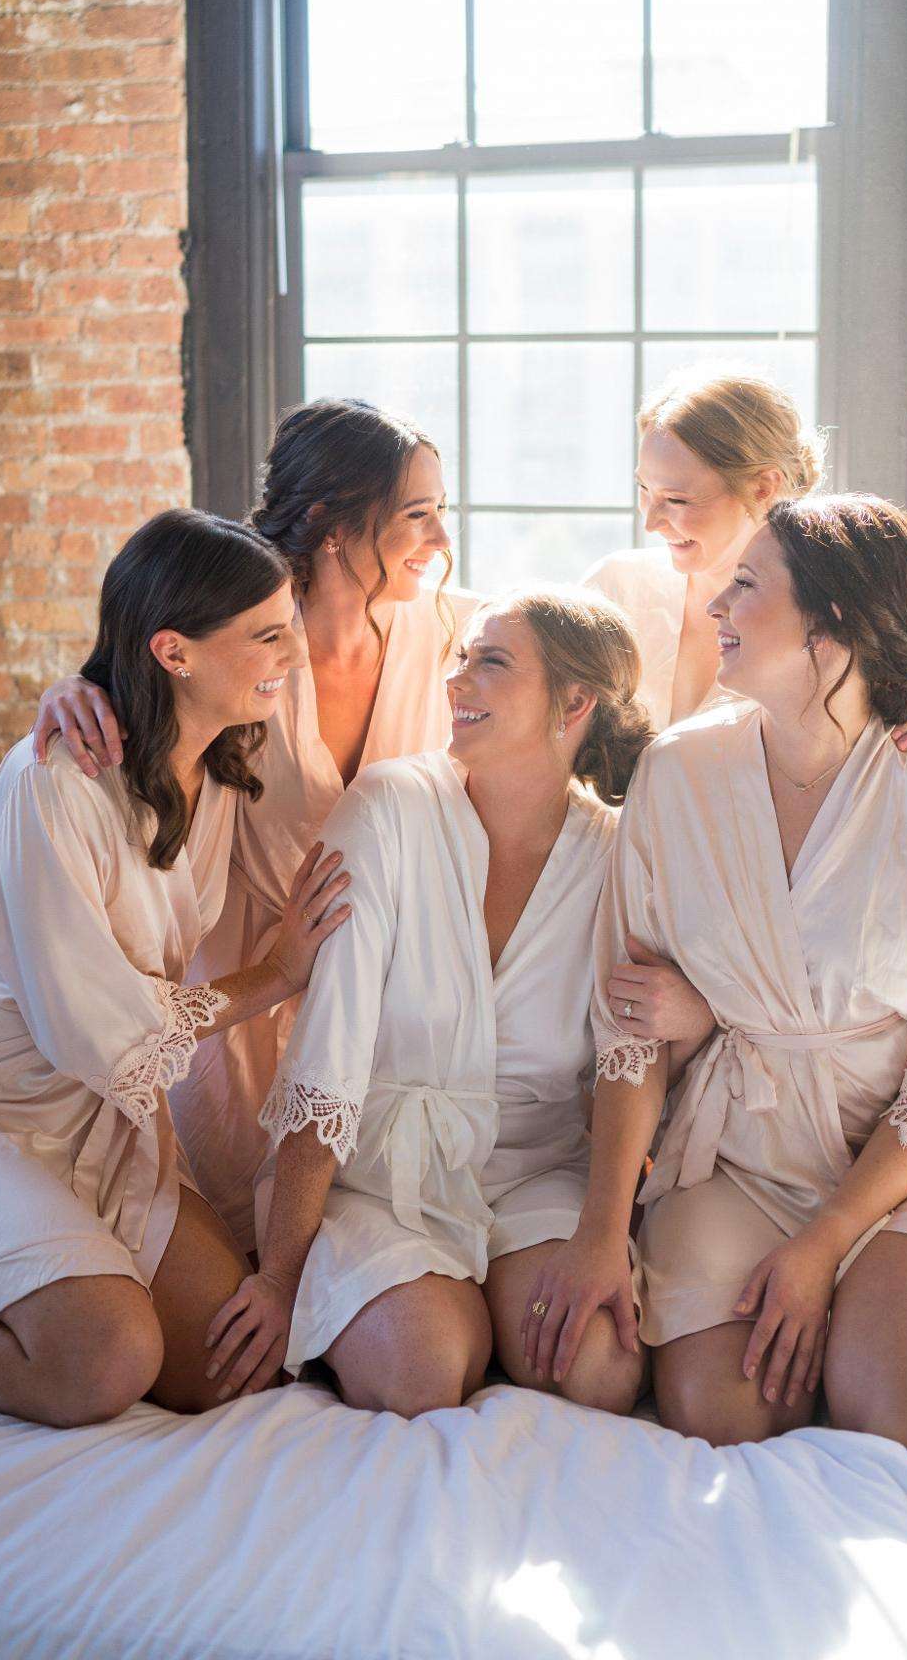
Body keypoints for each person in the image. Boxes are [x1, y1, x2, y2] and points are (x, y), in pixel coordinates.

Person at [0, 510, 350, 1427]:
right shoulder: (53, 782)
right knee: (106, 1360)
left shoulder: (226, 770)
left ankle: (36, 1273)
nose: (294, 654)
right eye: (268, 635)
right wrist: (276, 974)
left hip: (104, 1117)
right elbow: (93, 1025)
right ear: (174, 653)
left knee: (222, 1370)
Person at [526, 495, 907, 1458]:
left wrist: (825, 1244)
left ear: (830, 622)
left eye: (747, 584)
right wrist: (598, 1229)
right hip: (739, 1156)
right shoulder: (679, 775)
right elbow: (627, 1027)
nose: (717, 603)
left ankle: (875, 1303)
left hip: (905, 1166)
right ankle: (839, 1315)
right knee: (724, 1416)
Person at [30, 401, 476, 1251]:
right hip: (240, 975)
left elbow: (551, 662)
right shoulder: (248, 642)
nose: (440, 538)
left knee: (362, 1235)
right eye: (417, 514)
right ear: (330, 524)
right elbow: (157, 662)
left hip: (380, 981)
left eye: (439, 510)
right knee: (245, 1242)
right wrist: (71, 688)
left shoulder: (445, 630)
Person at [202, 591, 654, 1417]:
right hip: (377, 1176)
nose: (457, 681)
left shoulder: (620, 855)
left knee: (599, 1372)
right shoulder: (389, 809)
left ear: (577, 702)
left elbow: (631, 1059)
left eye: (492, 662)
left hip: (533, 1173)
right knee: (419, 1369)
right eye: (460, 657)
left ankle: (490, 1311)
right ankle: (443, 1311)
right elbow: (326, 1065)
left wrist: (600, 1236)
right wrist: (279, 1278)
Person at [584, 368, 907, 760]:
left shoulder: (825, 619)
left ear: (764, 487)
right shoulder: (614, 589)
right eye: (644, 489)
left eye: (677, 500)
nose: (651, 521)